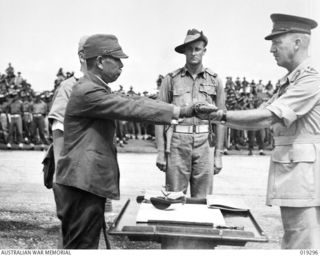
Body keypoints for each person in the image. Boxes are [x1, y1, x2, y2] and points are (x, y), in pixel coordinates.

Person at [53, 34, 215, 249]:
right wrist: (183, 110)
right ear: (101, 61)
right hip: (81, 184)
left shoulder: (94, 87)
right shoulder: (88, 91)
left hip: (84, 183)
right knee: (80, 248)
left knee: (84, 245)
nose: (121, 65)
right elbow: (132, 108)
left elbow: (132, 100)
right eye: (117, 60)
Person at [205, 13, 320, 249]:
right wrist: (219, 116)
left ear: (297, 43)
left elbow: (268, 116)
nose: (271, 50)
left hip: (306, 177)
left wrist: (220, 115)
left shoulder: (311, 79)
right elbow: (259, 117)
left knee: (303, 243)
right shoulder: (290, 81)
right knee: (296, 239)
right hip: (297, 173)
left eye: (277, 42)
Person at [155, 29, 225, 198]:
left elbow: (221, 120)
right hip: (178, 143)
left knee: (203, 201)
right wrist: (160, 151)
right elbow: (160, 116)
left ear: (204, 51)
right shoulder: (171, 79)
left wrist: (218, 155)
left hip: (205, 144)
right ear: (184, 51)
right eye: (190, 49)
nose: (193, 53)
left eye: (197, 49)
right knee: (173, 199)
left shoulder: (214, 80)